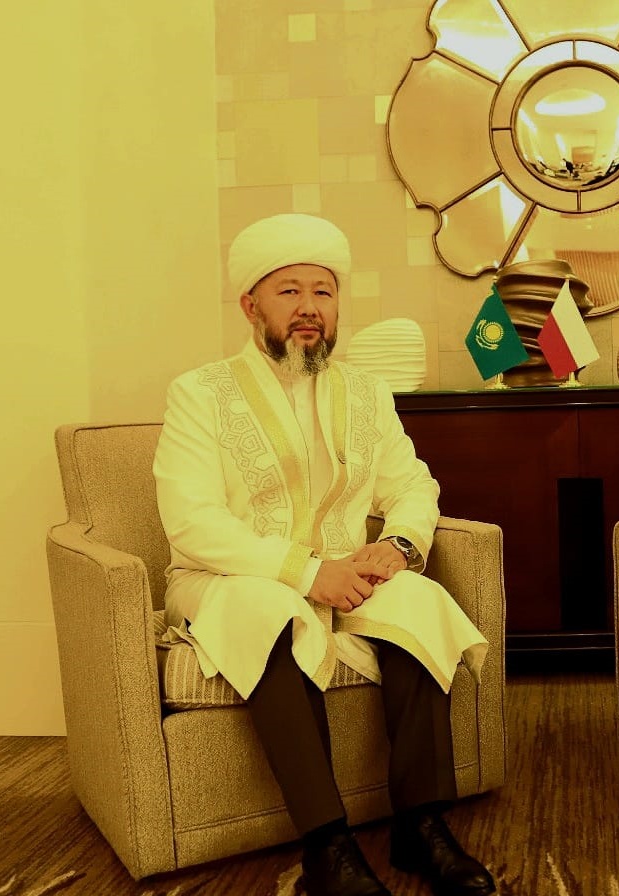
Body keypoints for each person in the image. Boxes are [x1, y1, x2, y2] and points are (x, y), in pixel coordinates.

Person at [153, 214, 495, 896]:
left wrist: (398, 545)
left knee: (419, 600)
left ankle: (420, 824)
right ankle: (326, 843)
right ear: (251, 305)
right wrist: (308, 574)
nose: (309, 307)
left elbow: (412, 484)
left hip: (347, 570)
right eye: (289, 291)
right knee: (268, 610)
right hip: (229, 578)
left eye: (323, 292)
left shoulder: (366, 392)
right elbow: (192, 522)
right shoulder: (199, 393)